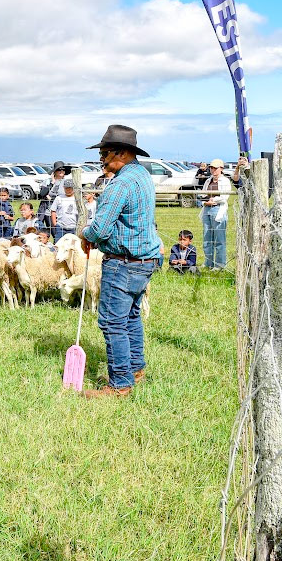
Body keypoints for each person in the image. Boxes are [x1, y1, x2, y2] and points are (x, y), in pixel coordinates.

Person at [80, 124, 162, 398]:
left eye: (105, 153)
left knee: (113, 322)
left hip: (123, 262)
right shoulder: (142, 175)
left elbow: (100, 229)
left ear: (123, 153)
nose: (101, 159)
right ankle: (134, 369)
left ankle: (120, 384)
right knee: (130, 317)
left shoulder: (120, 184)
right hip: (145, 260)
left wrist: (85, 234)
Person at [200, 158, 232, 270]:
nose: (213, 170)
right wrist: (204, 201)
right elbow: (203, 194)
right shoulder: (208, 180)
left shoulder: (225, 181)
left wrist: (214, 200)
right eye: (211, 168)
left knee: (219, 239)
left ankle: (219, 264)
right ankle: (208, 262)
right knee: (207, 238)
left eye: (215, 168)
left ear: (221, 169)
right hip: (207, 209)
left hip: (218, 210)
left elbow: (225, 196)